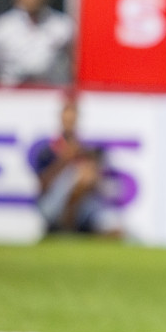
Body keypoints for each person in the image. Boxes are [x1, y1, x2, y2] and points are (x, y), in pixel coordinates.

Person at [30, 98, 120, 237]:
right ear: (61, 120)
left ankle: (77, 226)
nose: (70, 124)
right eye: (67, 120)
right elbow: (42, 187)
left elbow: (96, 184)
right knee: (82, 174)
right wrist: (64, 160)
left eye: (72, 121)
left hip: (81, 207)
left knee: (89, 176)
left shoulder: (85, 151)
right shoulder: (47, 151)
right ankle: (67, 225)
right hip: (53, 205)